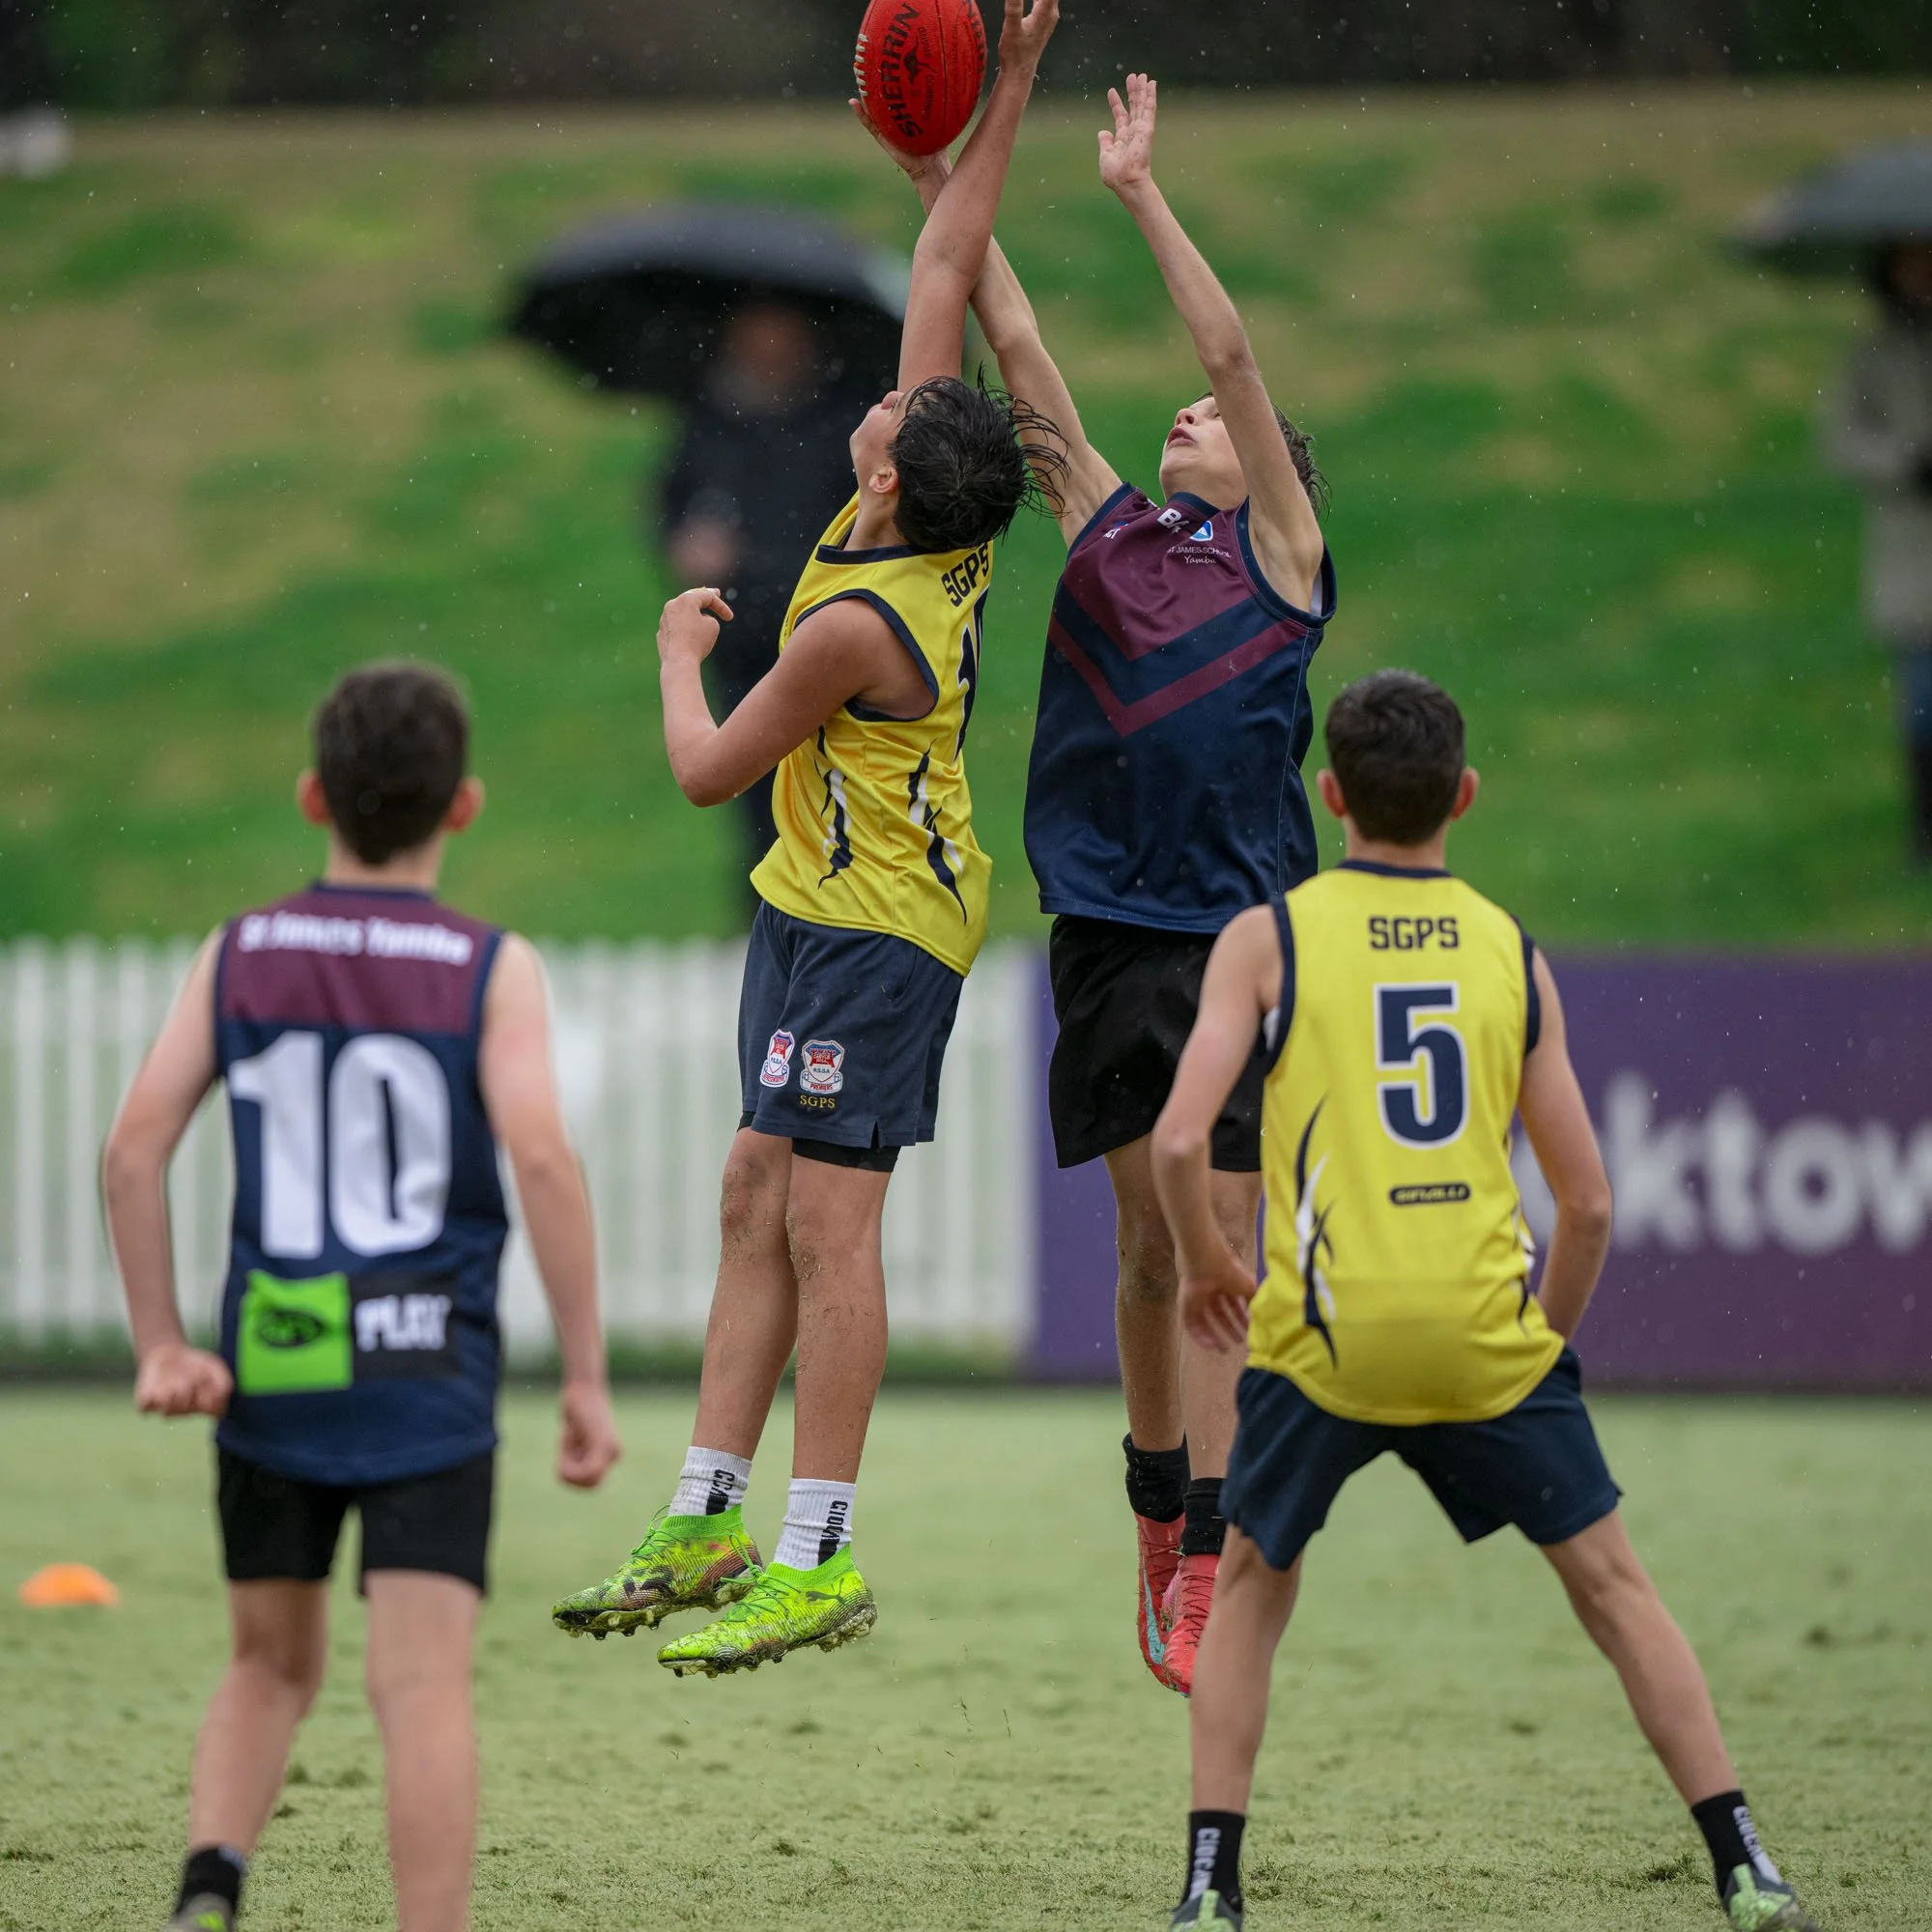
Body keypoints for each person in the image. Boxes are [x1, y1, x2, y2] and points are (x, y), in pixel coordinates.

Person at [549, 0, 1065, 1678]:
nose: (880, 403)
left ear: (895, 481)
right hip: (816, 904)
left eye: (895, 417)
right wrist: (986, 111)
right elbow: (950, 263)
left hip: (880, 929)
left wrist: (677, 654)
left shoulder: (853, 622)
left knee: (831, 1227)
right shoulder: (926, 507)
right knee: (752, 1190)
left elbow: (709, 771)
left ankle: (816, 1549)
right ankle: (708, 1510)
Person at [1148, 670, 1819, 1932]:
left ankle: (1209, 1888)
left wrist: (1203, 1264)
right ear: (1463, 796)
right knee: (1614, 1590)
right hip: (1480, 1337)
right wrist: (1536, 1347)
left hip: (1327, 1339)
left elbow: (1182, 1144)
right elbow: (1591, 1203)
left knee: (1248, 1584)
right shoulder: (1510, 951)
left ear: (1329, 795)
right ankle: (1744, 1863)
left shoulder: (1269, 938)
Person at [865, 71, 1332, 1693]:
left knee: (1221, 1248)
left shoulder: (1285, 563)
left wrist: (1138, 189)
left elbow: (1233, 357)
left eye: (1215, 422)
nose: (1191, 415)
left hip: (1243, 944)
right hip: (1111, 937)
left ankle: (1210, 1552)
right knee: (1148, 1249)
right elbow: (1011, 334)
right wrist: (944, 166)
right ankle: (1157, 1513)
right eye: (1183, 417)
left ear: (1274, 473)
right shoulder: (1109, 528)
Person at [101, 663, 623, 1932]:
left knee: (267, 1664)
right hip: (425, 1376)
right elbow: (541, 1160)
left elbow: (131, 1149)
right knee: (420, 1686)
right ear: (464, 806)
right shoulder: (488, 966)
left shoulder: (241, 952)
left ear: (312, 796)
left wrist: (163, 1342)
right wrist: (585, 1375)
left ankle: (208, 1892)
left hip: (276, 1365)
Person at [658, 299, 876, 886]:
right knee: (754, 797)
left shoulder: (844, 422)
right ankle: (766, 899)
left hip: (820, 630)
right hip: (741, 633)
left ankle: (826, 889)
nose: (766, 349)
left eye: (779, 333)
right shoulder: (710, 418)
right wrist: (686, 544)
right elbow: (672, 503)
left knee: (830, 785)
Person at [1823, 240, 1932, 861]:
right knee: (1923, 701)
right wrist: (1906, 460)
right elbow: (1842, 440)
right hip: (1913, 549)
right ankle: (1924, 827)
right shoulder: (1874, 356)